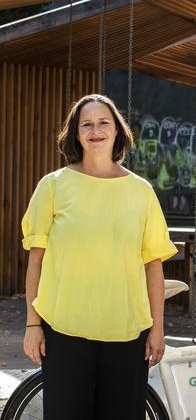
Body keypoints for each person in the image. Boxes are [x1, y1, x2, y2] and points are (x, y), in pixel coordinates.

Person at [21, 94, 177, 419]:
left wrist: (157, 329)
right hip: (64, 332)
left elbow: (153, 265)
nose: (96, 130)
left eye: (103, 122)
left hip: (127, 333)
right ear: (76, 134)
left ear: (117, 131)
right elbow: (36, 261)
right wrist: (33, 324)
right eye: (87, 124)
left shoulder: (141, 192)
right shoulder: (52, 187)